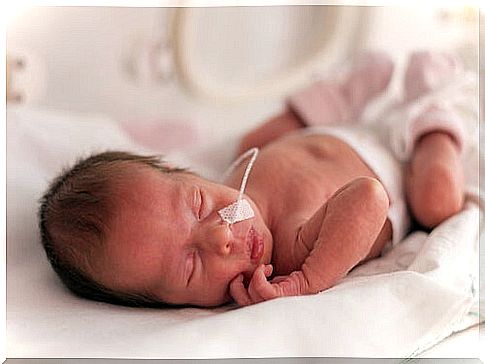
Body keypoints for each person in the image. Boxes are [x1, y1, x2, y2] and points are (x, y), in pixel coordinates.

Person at [38, 51, 468, 308]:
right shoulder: (290, 253)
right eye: (191, 264)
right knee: (439, 201)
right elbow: (371, 198)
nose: (222, 236)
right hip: (397, 167)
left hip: (325, 134)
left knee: (256, 138)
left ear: (179, 171)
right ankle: (431, 113)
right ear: (168, 305)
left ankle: (346, 93)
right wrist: (307, 281)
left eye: (198, 205)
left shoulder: (233, 174)